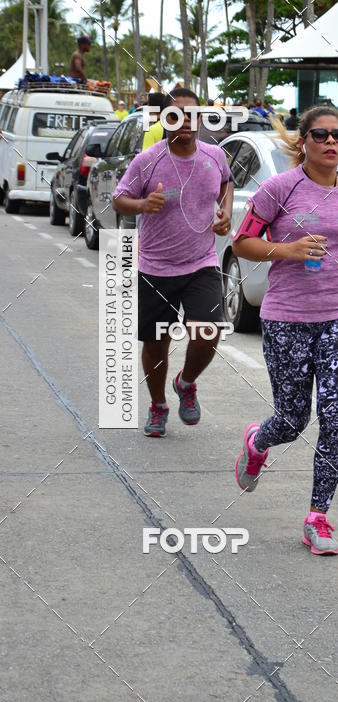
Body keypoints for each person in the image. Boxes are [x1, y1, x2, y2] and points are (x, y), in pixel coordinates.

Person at [231, 106, 338, 556]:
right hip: (286, 318)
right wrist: (289, 249)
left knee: (336, 419)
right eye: (320, 135)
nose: (331, 142)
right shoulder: (279, 189)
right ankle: (258, 441)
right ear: (304, 141)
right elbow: (243, 242)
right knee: (293, 420)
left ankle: (318, 518)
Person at [112, 87, 233, 438]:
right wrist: (142, 205)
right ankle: (158, 404)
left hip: (202, 261)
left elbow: (227, 182)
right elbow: (120, 198)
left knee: (208, 330)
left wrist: (225, 212)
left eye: (194, 115)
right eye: (176, 115)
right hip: (156, 267)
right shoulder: (146, 161)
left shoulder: (214, 157)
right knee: (155, 344)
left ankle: (187, 382)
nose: (186, 122)